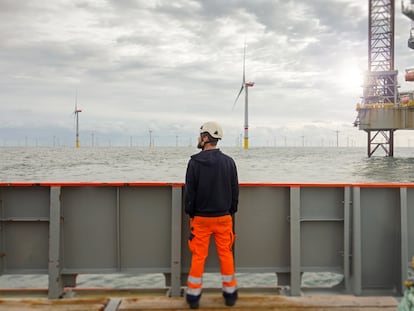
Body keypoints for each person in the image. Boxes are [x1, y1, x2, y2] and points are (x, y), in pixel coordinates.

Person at [184, 121, 239, 309]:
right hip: (224, 217)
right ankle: (230, 295)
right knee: (226, 254)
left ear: (206, 138)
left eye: (201, 135)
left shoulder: (194, 162)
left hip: (201, 219)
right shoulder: (229, 162)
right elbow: (234, 190)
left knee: (199, 256)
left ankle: (193, 297)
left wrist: (190, 213)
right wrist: (231, 211)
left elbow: (190, 193)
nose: (199, 138)